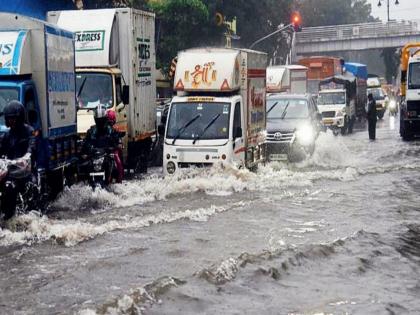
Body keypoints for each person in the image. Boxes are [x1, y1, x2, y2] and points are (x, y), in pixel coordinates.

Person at [0, 101, 36, 220]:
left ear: (20, 118)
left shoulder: (30, 131)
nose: (11, 121)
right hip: (11, 172)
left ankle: (32, 217)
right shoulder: (7, 136)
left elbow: (32, 146)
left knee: (32, 187)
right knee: (6, 185)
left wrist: (27, 156)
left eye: (13, 119)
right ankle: (6, 215)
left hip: (26, 172)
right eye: (9, 119)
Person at [81, 104, 121, 182]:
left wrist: (116, 145)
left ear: (105, 118)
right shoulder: (91, 131)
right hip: (94, 156)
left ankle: (118, 181)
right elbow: (86, 143)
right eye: (98, 119)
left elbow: (116, 140)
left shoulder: (111, 130)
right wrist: (87, 149)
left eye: (102, 119)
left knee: (117, 165)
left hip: (107, 155)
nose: (100, 121)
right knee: (83, 166)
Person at [106, 110, 124, 183]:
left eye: (111, 121)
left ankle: (119, 180)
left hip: (113, 150)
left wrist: (118, 145)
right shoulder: (97, 129)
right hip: (103, 150)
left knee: (119, 162)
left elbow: (119, 138)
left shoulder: (115, 129)